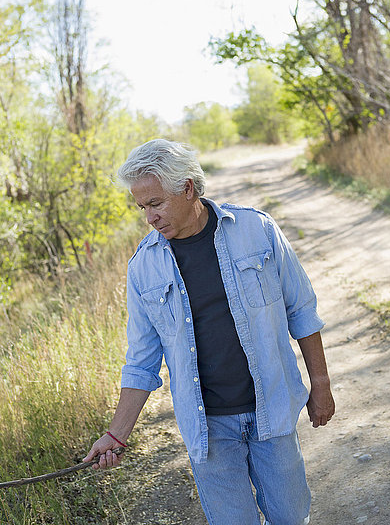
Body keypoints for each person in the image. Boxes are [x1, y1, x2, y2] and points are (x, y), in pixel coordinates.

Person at [84, 139, 335, 525]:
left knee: (290, 516)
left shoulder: (257, 229)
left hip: (271, 407)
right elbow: (141, 362)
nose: (149, 217)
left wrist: (321, 385)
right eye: (141, 207)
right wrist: (116, 435)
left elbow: (300, 310)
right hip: (208, 427)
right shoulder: (144, 267)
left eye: (156, 203)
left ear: (187, 188)